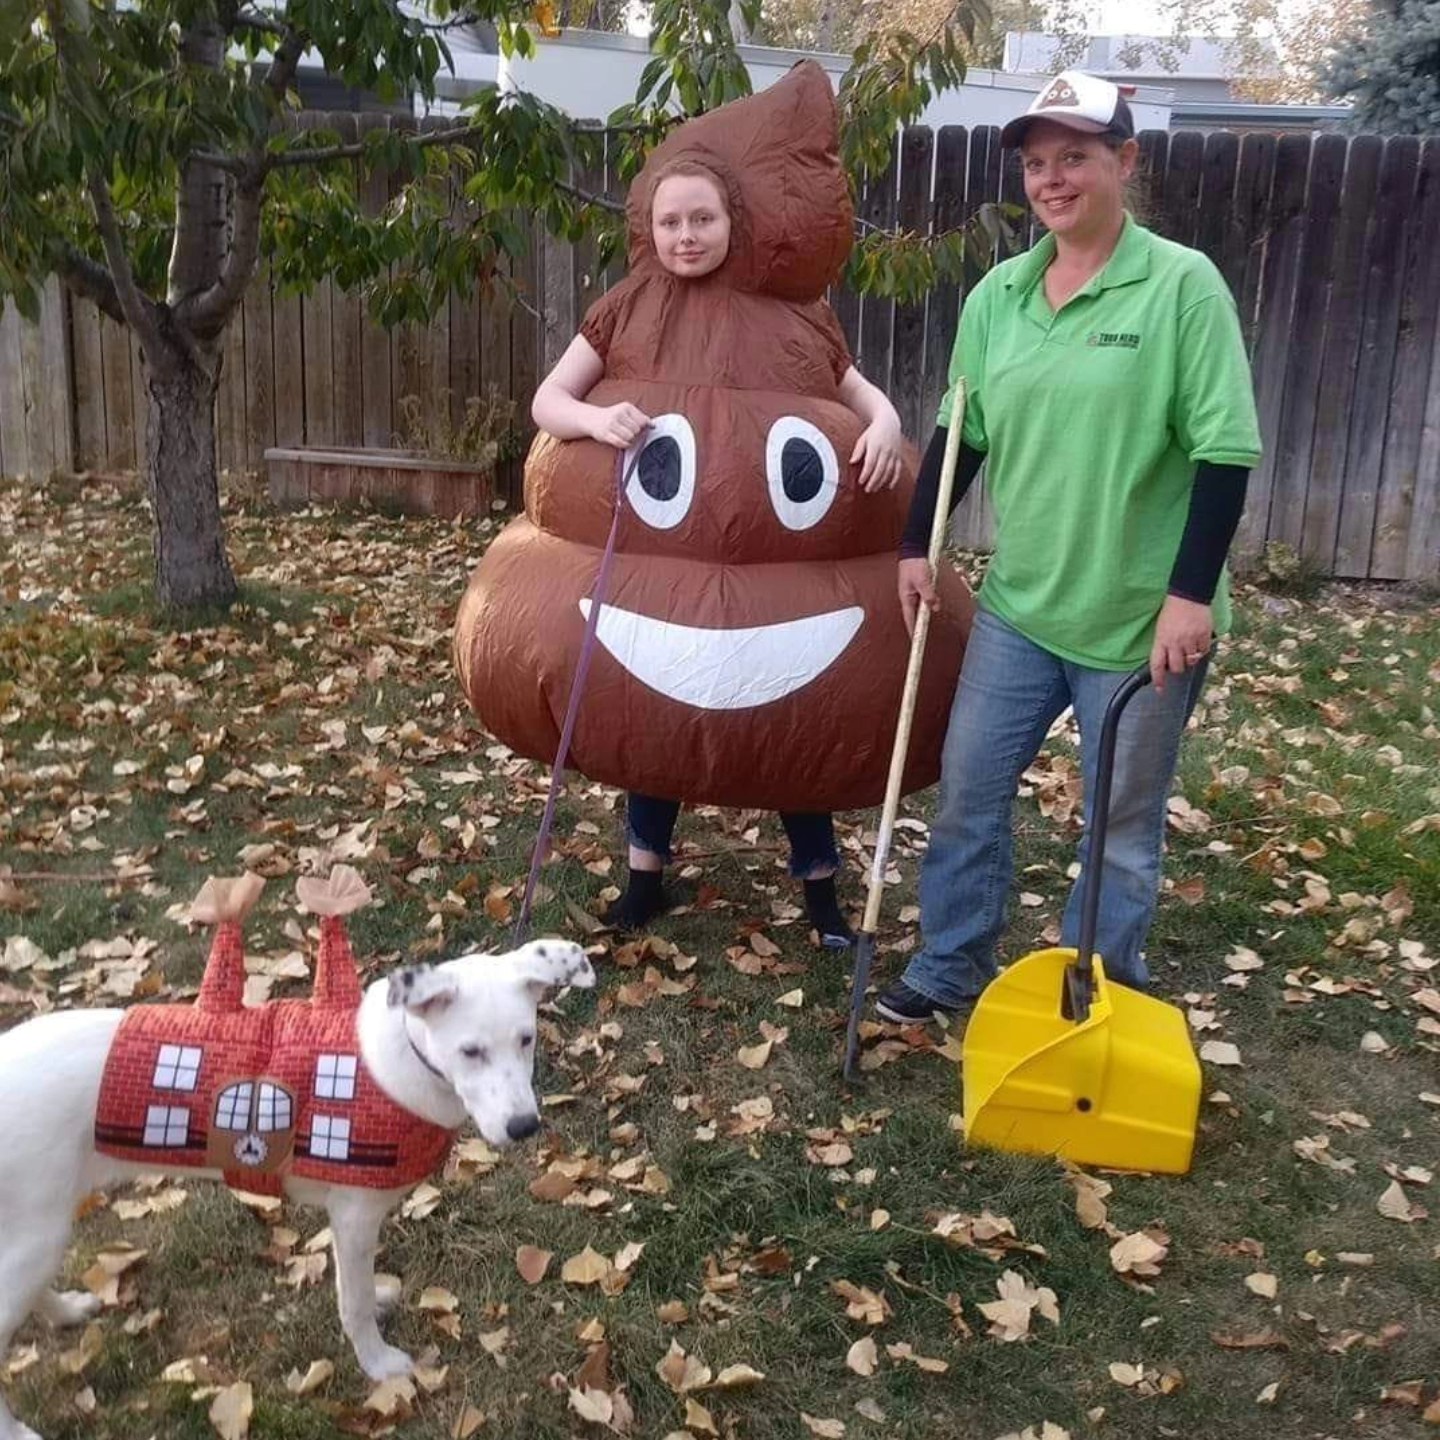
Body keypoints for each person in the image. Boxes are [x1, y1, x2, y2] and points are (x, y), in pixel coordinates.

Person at [873, 70, 1262, 1023]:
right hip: (1021, 608)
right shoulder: (998, 296)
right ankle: (951, 963)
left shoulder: (1182, 286)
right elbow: (961, 431)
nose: (1052, 179)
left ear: (1125, 161)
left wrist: (1189, 597)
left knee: (1120, 827)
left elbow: (1224, 451)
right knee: (968, 794)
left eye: (1075, 158)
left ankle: (1098, 994)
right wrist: (918, 542)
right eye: (1037, 163)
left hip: (1139, 622)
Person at [532, 158, 908, 949]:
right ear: (649, 228)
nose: (687, 236)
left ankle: (820, 893)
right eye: (670, 222)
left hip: (776, 567)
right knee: (655, 717)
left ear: (733, 221)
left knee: (792, 723)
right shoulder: (624, 309)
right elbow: (549, 399)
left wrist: (883, 423)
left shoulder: (793, 313)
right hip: (662, 564)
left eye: (702, 218)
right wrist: (596, 422)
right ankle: (643, 879)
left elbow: (858, 391)